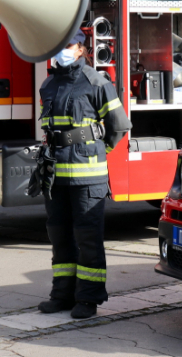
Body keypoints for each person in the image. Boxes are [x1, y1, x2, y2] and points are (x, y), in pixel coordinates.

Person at [36, 31, 132, 319]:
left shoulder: (97, 82)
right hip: (56, 176)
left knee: (88, 238)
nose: (60, 51)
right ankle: (62, 294)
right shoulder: (48, 84)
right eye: (57, 46)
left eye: (66, 45)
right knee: (59, 236)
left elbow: (118, 126)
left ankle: (88, 298)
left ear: (80, 49)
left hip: (88, 178)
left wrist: (94, 151)